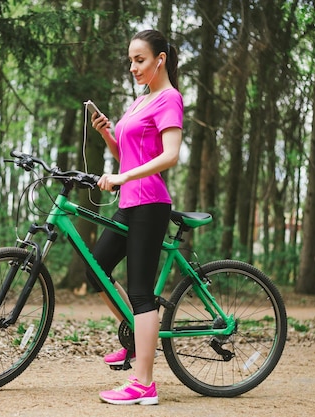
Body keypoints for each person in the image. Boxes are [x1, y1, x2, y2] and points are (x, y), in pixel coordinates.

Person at [86, 29, 183, 406]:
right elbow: (130, 157)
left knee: (142, 293)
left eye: (140, 60)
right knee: (95, 270)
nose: (133, 67)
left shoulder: (169, 98)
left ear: (160, 59)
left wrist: (124, 176)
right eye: (130, 61)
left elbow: (170, 154)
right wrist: (109, 135)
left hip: (150, 204)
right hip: (130, 203)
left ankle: (144, 383)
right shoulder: (140, 100)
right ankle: (134, 339)